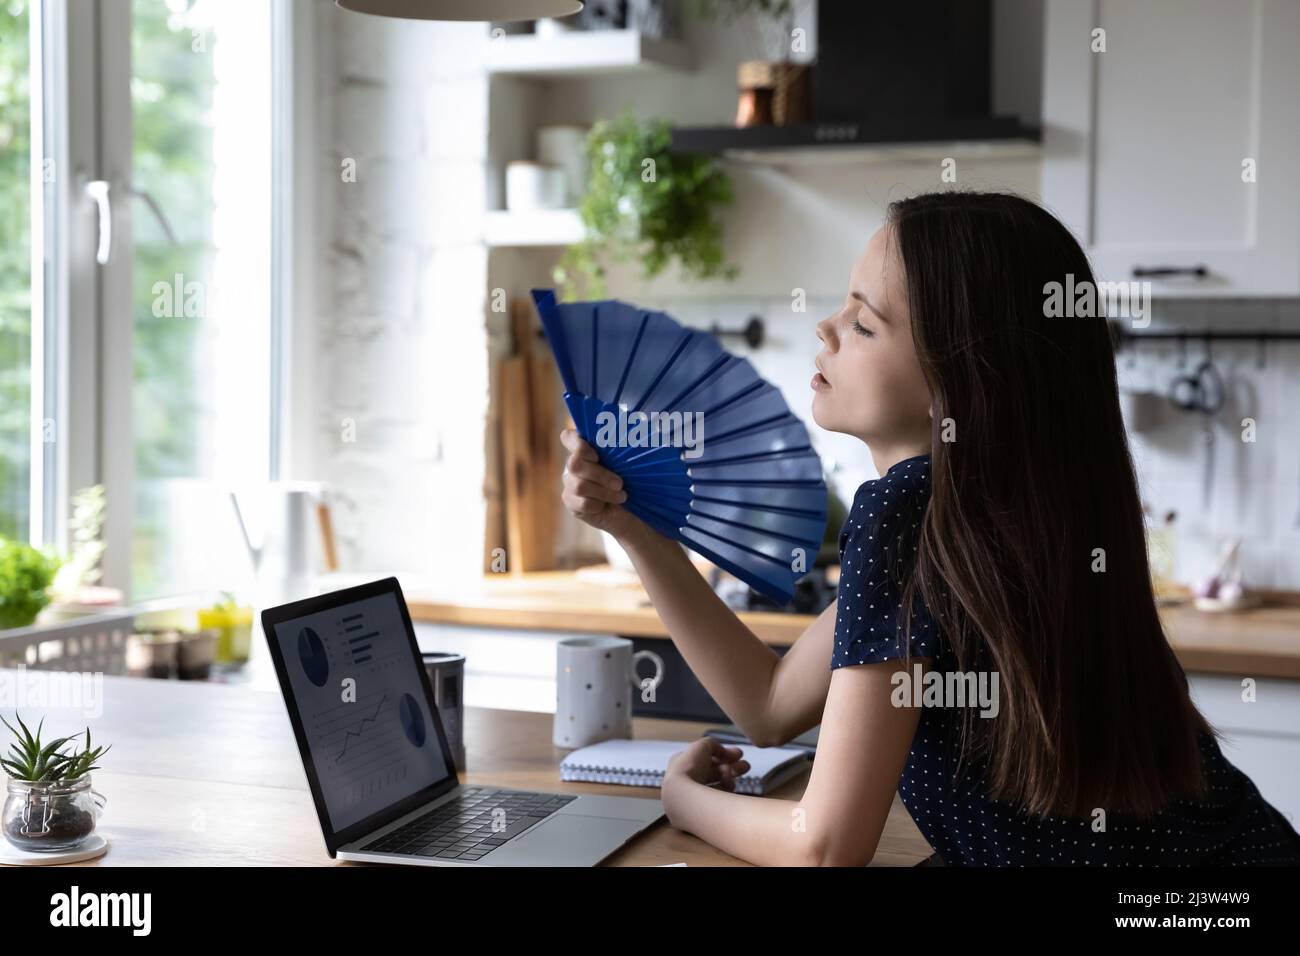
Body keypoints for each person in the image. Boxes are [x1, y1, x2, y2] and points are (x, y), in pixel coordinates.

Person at [559, 190, 1300, 866]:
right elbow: (773, 703)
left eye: (863, 322)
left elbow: (821, 849)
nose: (825, 328)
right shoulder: (990, 511)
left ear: (955, 380)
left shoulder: (903, 513)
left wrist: (682, 799)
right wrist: (637, 530)